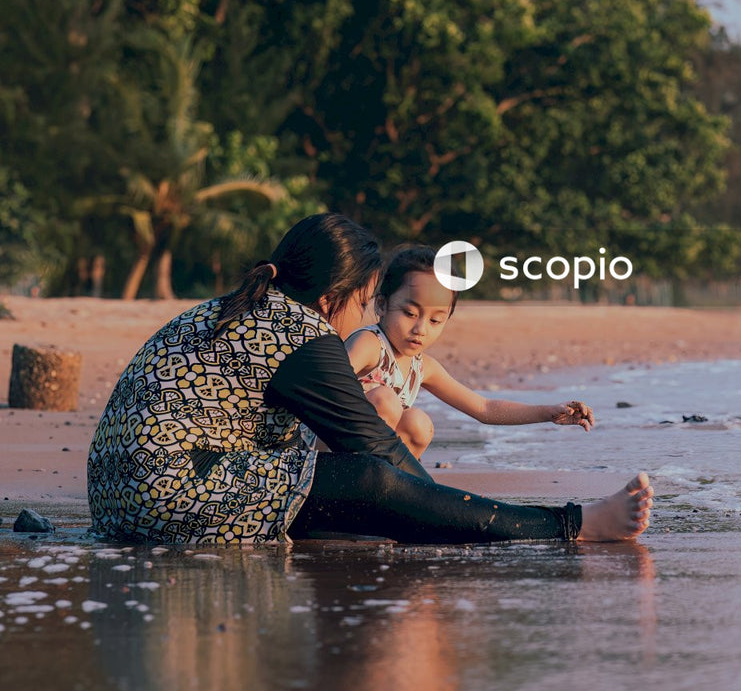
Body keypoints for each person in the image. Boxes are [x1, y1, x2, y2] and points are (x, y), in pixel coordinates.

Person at [87, 214, 653, 549]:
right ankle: (571, 525)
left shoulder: (242, 307)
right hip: (164, 500)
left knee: (362, 477)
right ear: (334, 299)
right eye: (362, 304)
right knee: (371, 479)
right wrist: (447, 510)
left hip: (119, 498)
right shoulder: (302, 335)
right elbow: (375, 457)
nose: (360, 319)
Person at [345, 245, 595, 460]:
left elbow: (484, 408)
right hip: (326, 450)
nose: (420, 329)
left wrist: (549, 413)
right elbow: (319, 385)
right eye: (409, 314)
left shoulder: (423, 367)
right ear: (382, 304)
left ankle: (391, 490)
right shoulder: (370, 344)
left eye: (435, 321)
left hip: (371, 461)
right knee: (386, 401)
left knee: (418, 424)